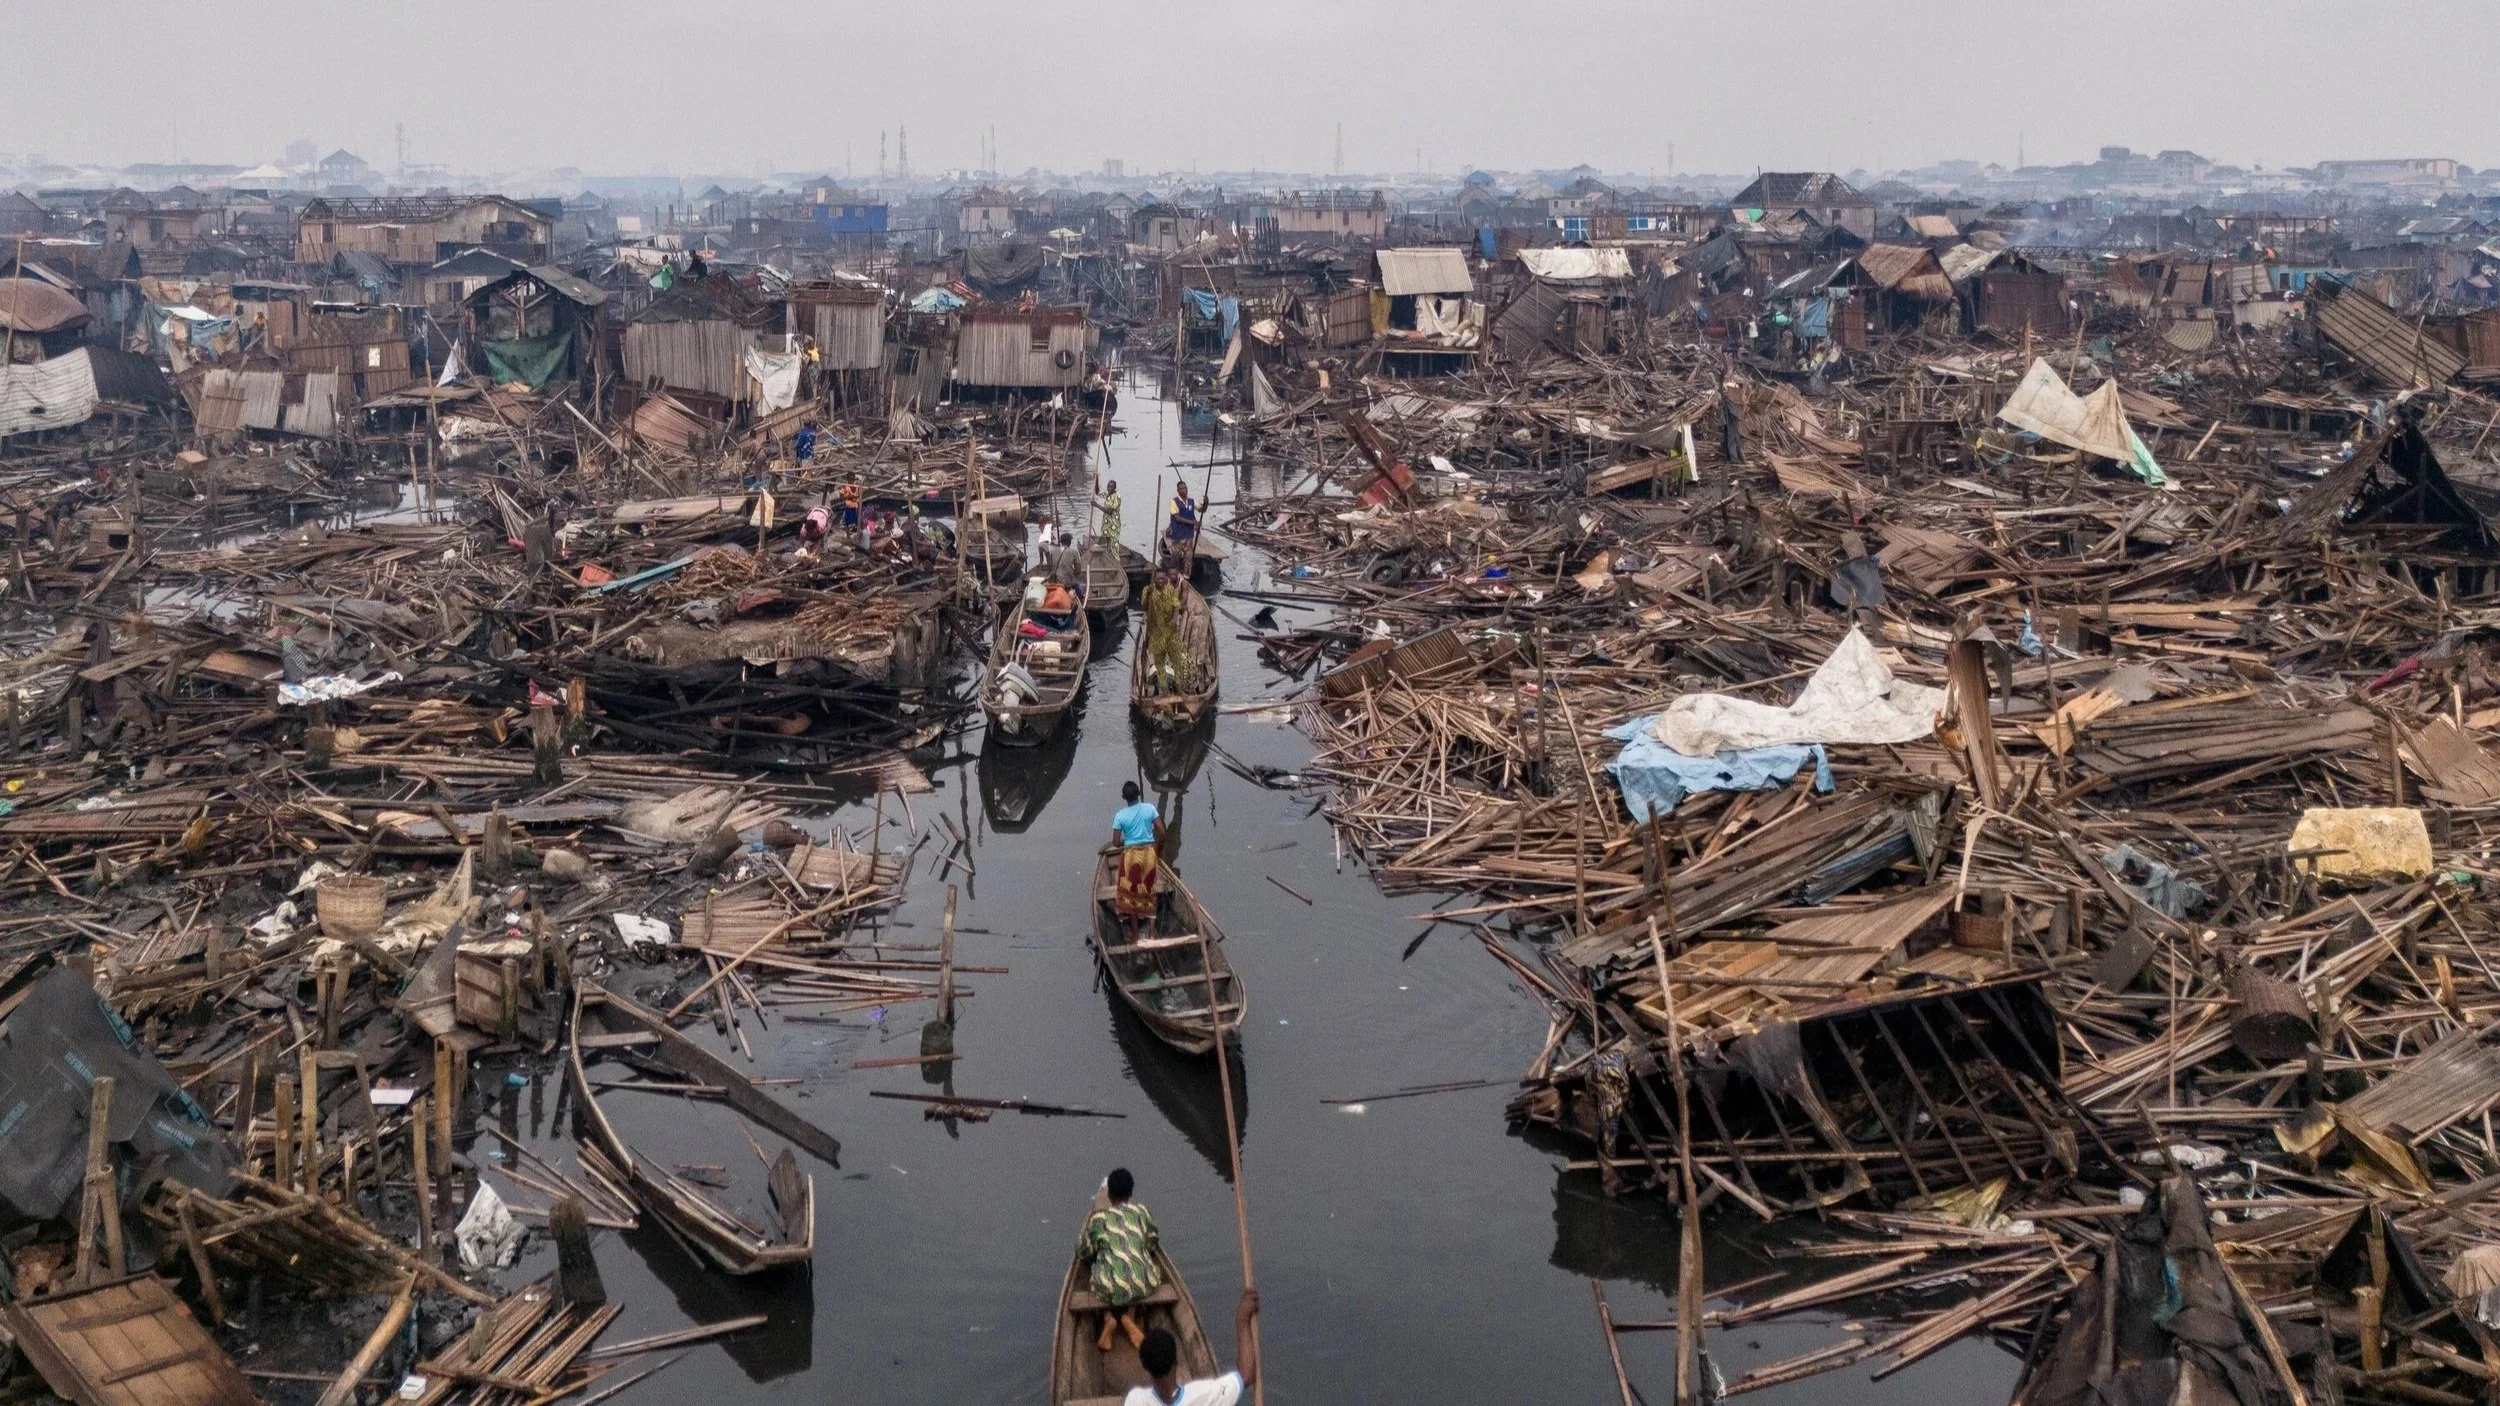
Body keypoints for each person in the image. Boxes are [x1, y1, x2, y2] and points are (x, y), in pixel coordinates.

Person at [1078, 1168, 1164, 1354]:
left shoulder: (1098, 1219)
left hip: (1109, 1286)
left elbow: (1083, 1252)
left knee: (1102, 1276)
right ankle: (1129, 1317)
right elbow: (1153, 1240)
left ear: (1108, 1194)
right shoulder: (1141, 1212)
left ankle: (1109, 1318)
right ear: (1131, 1193)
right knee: (1139, 1274)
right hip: (1143, 1285)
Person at [1129, 1290, 1261, 1406]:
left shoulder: (1135, 1400)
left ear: (1146, 1367)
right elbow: (1246, 1375)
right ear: (1176, 1361)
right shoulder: (1203, 1396)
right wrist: (1242, 1320)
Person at [1110, 782, 1164, 944]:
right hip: (1148, 854)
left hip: (1131, 856)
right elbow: (1162, 832)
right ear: (1138, 794)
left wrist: (1129, 840)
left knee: (1131, 894)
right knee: (1150, 891)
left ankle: (1134, 937)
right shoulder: (1150, 809)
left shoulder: (1120, 816)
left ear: (1124, 797)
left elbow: (1116, 843)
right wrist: (1156, 850)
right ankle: (1152, 934)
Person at [1141, 568, 1186, 694]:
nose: (1160, 581)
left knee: (1177, 661)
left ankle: (1178, 686)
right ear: (1155, 579)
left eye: (1162, 578)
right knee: (1159, 663)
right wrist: (1148, 595)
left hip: (1170, 632)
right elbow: (1144, 607)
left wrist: (1174, 619)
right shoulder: (1148, 590)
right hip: (1156, 633)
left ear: (1166, 579)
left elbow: (1177, 606)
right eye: (1158, 579)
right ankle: (1164, 689)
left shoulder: (1170, 590)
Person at [1096, 478, 1123, 545]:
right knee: (1105, 542)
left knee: (1112, 543)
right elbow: (1097, 492)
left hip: (1113, 524)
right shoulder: (1107, 494)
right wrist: (1096, 479)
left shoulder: (1117, 497)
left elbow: (1110, 511)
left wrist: (1096, 505)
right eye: (1108, 486)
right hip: (1106, 523)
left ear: (1115, 488)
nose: (1109, 488)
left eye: (1111, 487)